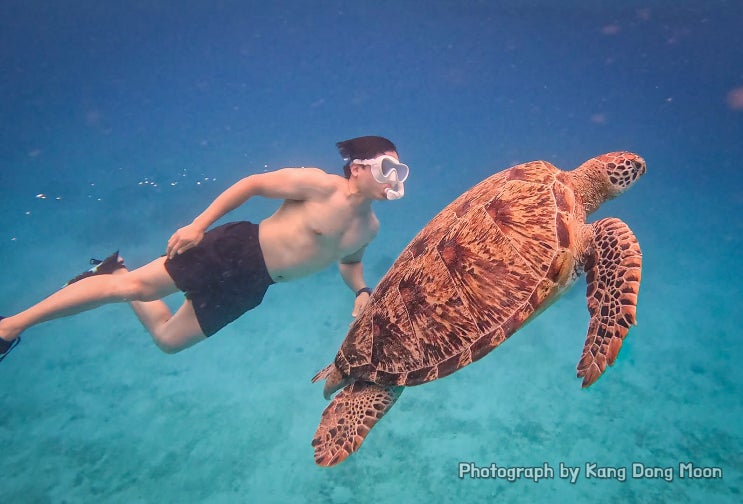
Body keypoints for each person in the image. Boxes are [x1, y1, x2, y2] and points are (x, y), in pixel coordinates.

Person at [0, 136, 410, 363]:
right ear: (358, 167)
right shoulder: (320, 185)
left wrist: (360, 290)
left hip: (253, 285)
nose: (393, 179)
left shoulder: (369, 227)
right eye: (387, 168)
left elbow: (349, 262)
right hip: (235, 249)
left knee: (169, 341)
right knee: (136, 289)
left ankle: (115, 270)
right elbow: (252, 184)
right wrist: (198, 225)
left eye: (399, 172)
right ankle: (10, 326)